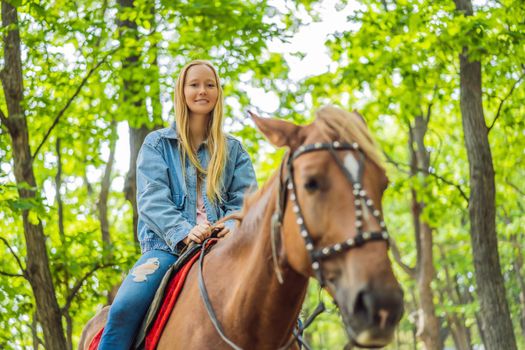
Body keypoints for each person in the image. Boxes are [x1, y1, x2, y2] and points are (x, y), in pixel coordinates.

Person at [98, 60, 257, 349]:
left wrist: (230, 228)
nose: (202, 91)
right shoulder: (157, 144)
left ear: (218, 92)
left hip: (223, 247)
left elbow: (244, 202)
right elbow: (151, 198)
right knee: (123, 309)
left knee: (272, 298)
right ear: (181, 92)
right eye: (194, 84)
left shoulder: (233, 150)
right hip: (167, 248)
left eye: (210, 85)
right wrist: (184, 231)